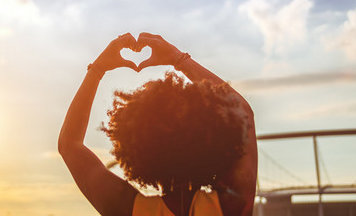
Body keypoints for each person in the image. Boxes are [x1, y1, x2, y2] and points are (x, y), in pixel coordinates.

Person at [58, 32, 257, 216]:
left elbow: (69, 145)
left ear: (137, 150)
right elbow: (243, 114)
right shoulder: (229, 207)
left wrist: (98, 69)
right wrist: (179, 59)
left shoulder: (131, 209)